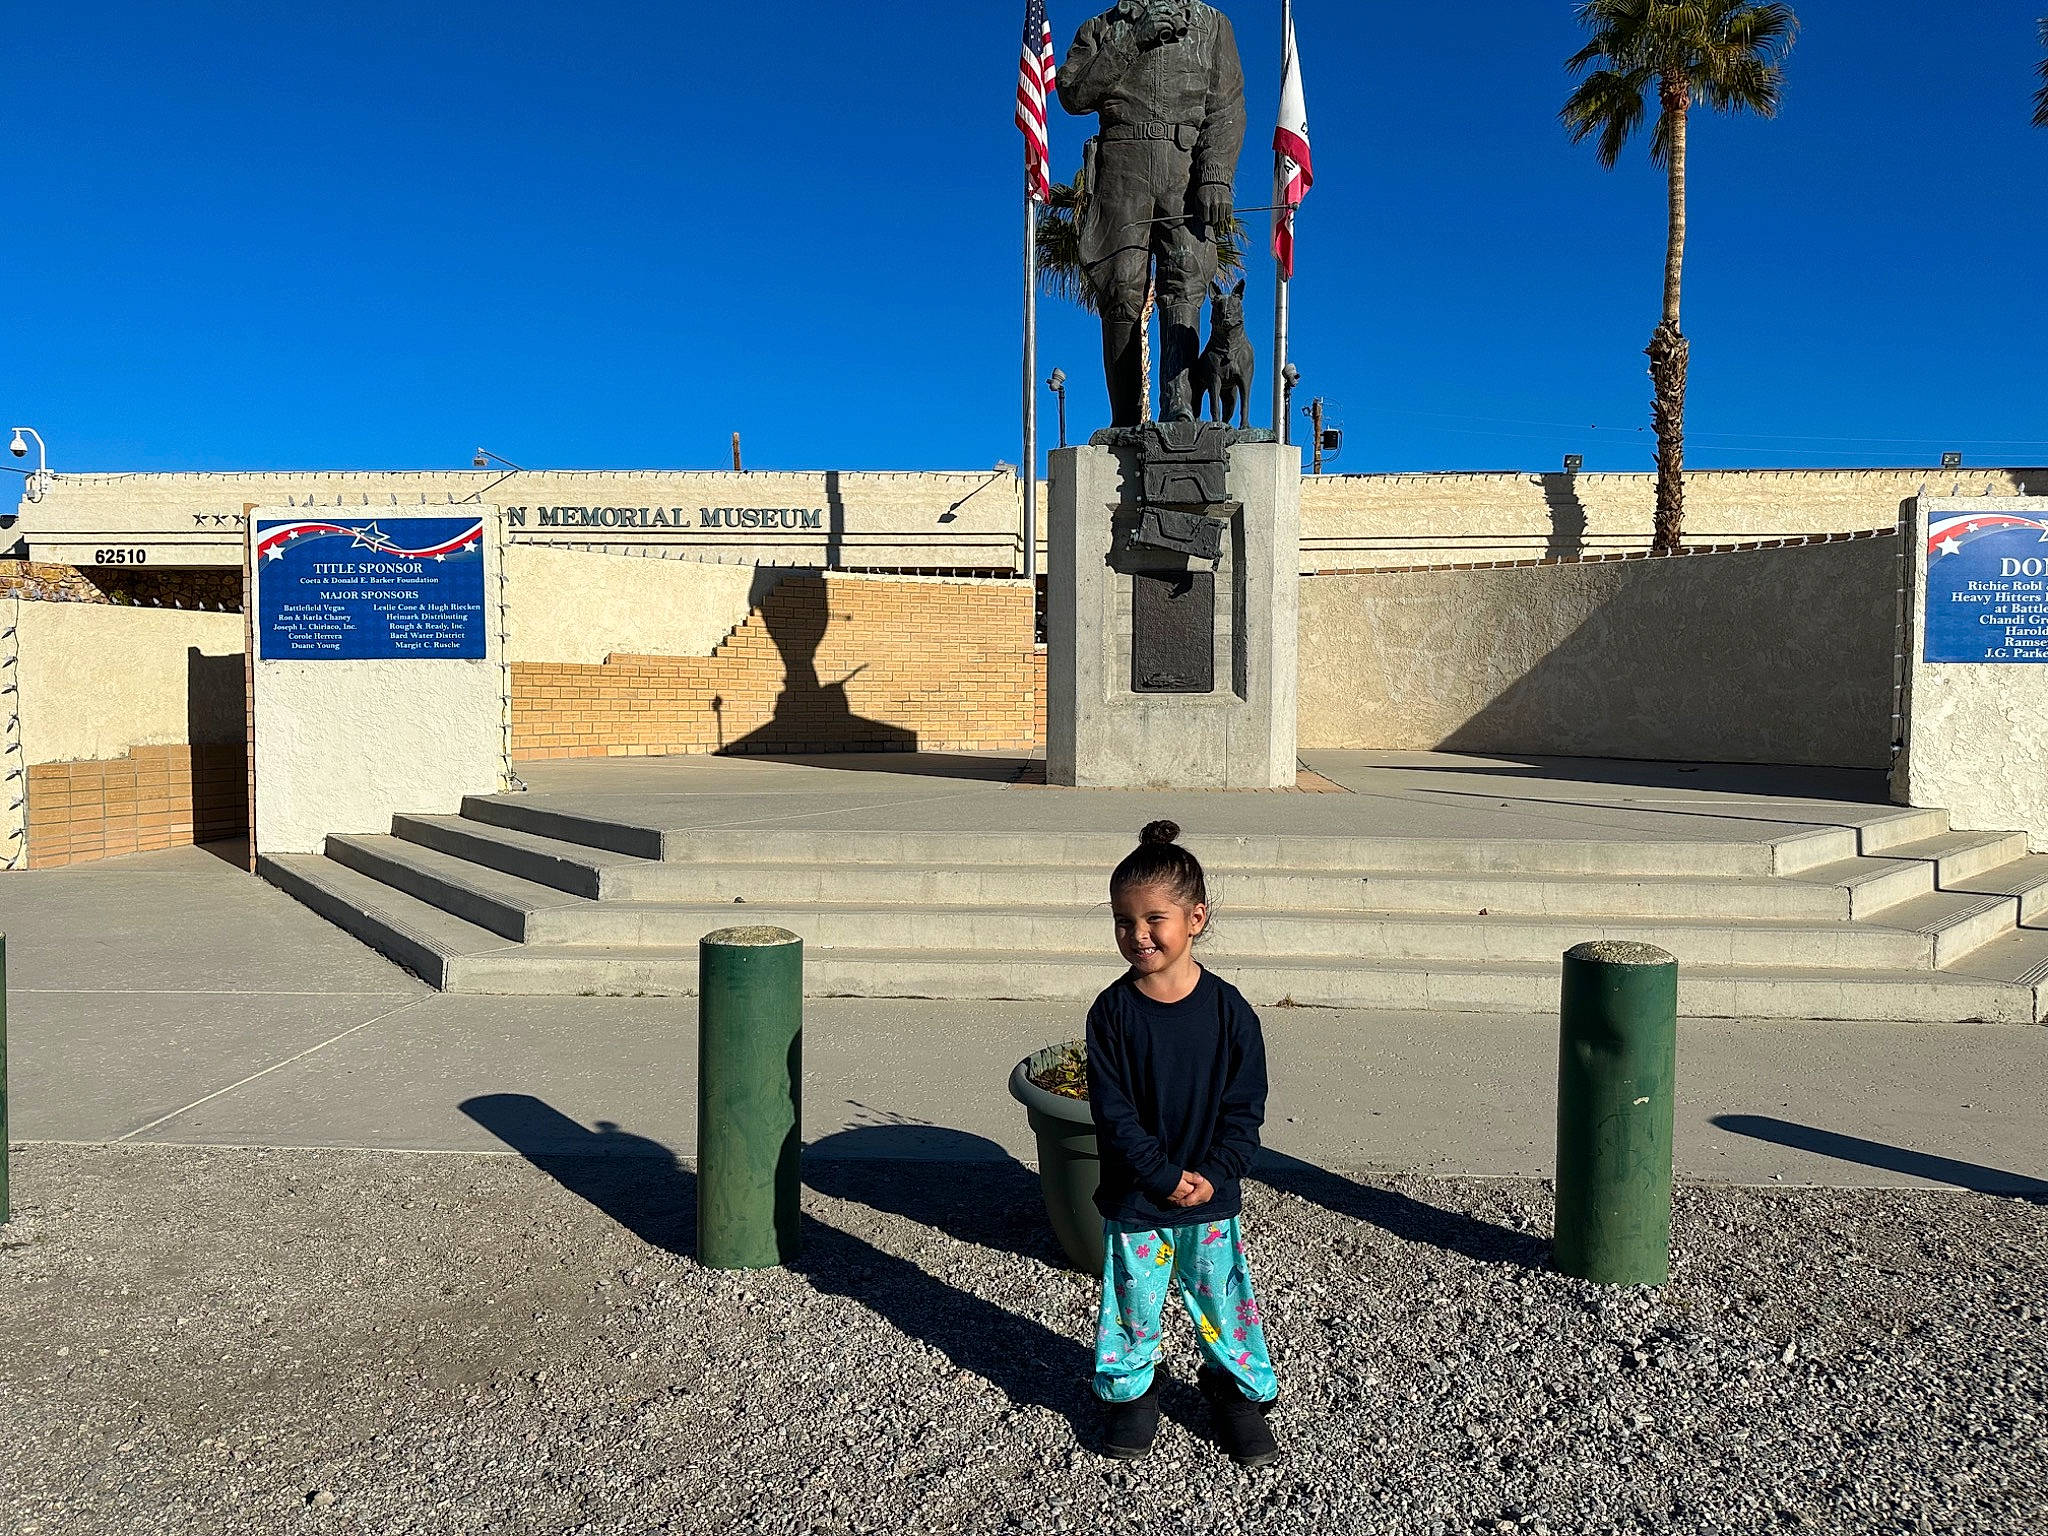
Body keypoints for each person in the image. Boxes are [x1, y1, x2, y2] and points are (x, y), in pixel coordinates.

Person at [1084, 820, 1279, 1466]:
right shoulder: (1110, 1014)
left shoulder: (1230, 1012)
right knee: (1131, 1302)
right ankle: (1131, 1394)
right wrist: (1160, 1174)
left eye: (1153, 919)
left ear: (1196, 918)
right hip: (1138, 1198)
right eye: (1122, 921)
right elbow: (1112, 1113)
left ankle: (1235, 1393)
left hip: (1211, 1198)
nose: (1137, 935)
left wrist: (1215, 1172)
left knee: (1224, 1300)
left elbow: (1244, 1106)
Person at [1056, 0, 1247, 426]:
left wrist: (1215, 174)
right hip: (1122, 163)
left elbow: (1227, 107)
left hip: (1186, 168)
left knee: (1185, 283)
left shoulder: (1213, 25)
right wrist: (1131, 38)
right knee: (1120, 288)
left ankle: (1179, 407)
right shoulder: (1102, 26)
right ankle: (1124, 420)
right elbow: (1073, 93)